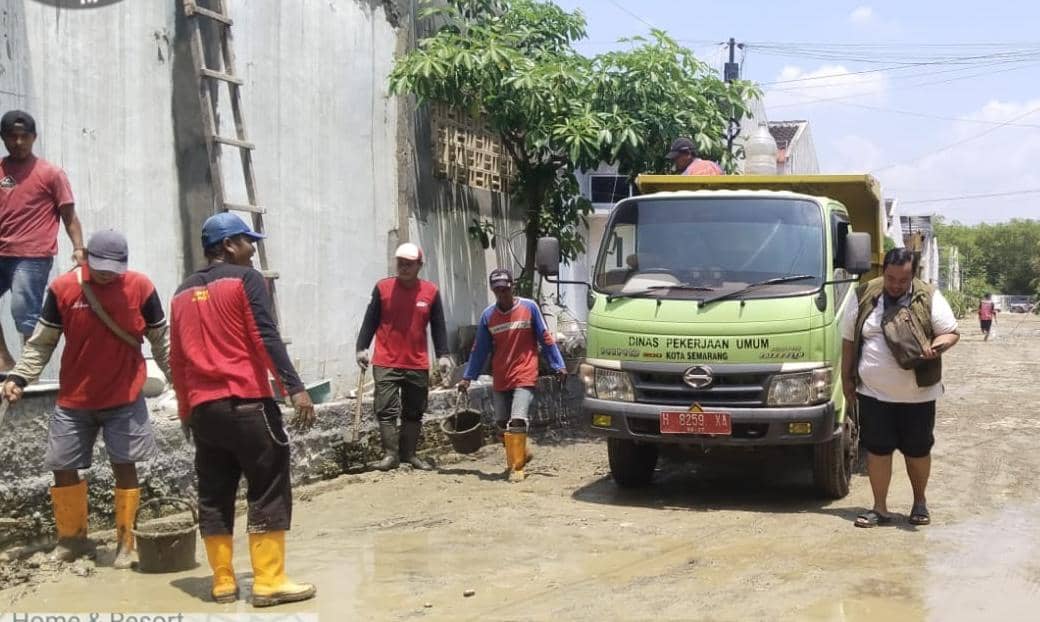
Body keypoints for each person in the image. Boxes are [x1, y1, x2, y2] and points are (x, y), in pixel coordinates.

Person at [169, 212, 316, 607]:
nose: (253, 249)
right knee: (268, 486)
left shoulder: (181, 292)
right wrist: (295, 388)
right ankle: (269, 581)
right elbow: (264, 334)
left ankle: (222, 582)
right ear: (230, 245)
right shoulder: (247, 279)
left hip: (204, 412)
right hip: (248, 404)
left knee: (214, 494)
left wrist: (186, 409)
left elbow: (177, 359)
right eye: (248, 242)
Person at [1, 230, 170, 568]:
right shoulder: (64, 289)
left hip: (124, 395)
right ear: (86, 257)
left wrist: (182, 380)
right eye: (100, 266)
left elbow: (161, 340)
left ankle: (126, 543)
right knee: (62, 466)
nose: (107, 273)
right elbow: (42, 341)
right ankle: (73, 540)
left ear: (124, 263)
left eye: (113, 267)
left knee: (125, 465)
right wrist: (19, 376)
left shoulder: (141, 287)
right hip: (75, 399)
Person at [841, 248, 959, 528]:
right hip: (873, 394)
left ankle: (919, 503)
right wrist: (846, 380)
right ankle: (879, 509)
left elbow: (951, 332)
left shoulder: (928, 296)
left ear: (913, 275)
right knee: (877, 450)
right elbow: (847, 340)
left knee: (917, 451)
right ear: (883, 271)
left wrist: (936, 347)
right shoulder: (864, 295)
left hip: (918, 396)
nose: (895, 285)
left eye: (902, 280)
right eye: (890, 278)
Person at [456, 268, 566, 482]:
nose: (502, 294)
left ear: (512, 286)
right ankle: (522, 452)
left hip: (525, 372)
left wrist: (558, 364)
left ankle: (516, 468)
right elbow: (479, 350)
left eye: (505, 290)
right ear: (493, 291)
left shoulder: (529, 308)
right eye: (497, 291)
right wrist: (467, 377)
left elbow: (545, 338)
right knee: (501, 424)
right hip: (502, 376)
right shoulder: (488, 316)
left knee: (517, 420)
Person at [0, 110, 86, 370]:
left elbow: (69, 216)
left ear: (33, 138)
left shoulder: (50, 173)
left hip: (32, 255)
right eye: (11, 137)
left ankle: (29, 369)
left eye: (23, 137)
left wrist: (79, 248)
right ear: (3, 138)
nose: (18, 143)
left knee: (23, 310)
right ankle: (4, 360)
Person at [356, 242, 452, 472]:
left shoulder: (430, 292)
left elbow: (438, 325)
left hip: (416, 362)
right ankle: (391, 455)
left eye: (409, 264)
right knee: (386, 409)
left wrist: (443, 355)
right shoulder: (383, 288)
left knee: (414, 410)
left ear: (419, 265)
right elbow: (370, 320)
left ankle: (409, 454)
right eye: (400, 263)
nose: (404, 267)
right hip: (386, 361)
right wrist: (361, 347)